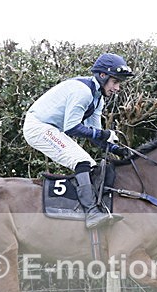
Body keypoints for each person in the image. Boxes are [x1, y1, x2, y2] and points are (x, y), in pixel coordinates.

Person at [23, 53, 134, 229]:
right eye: (115, 82)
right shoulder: (83, 92)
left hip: (51, 128)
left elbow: (94, 135)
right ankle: (91, 213)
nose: (118, 88)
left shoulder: (98, 99)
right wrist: (104, 134)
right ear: (102, 76)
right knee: (82, 161)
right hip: (38, 127)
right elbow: (72, 128)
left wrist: (116, 149)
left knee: (90, 164)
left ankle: (91, 209)